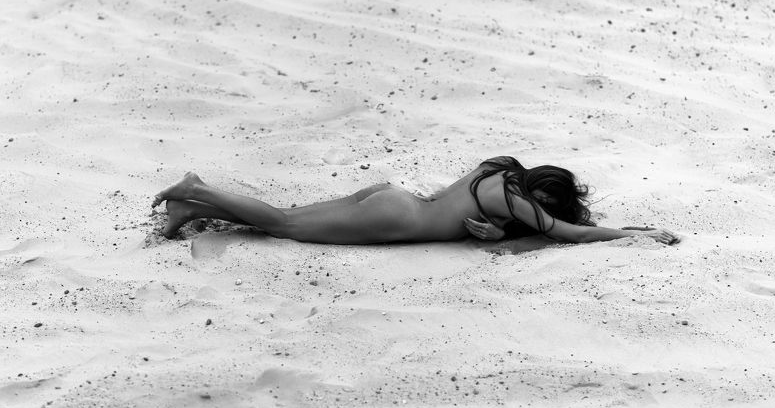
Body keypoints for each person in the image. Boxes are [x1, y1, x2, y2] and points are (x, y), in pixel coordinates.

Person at [151, 156, 680, 245]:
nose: (546, 213)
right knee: (286, 226)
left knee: (286, 220)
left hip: (393, 197)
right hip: (397, 219)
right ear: (545, 192)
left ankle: (193, 209)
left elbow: (472, 209)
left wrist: (499, 231)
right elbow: (569, 234)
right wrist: (634, 233)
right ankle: (197, 189)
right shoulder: (522, 203)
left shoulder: (499, 170)